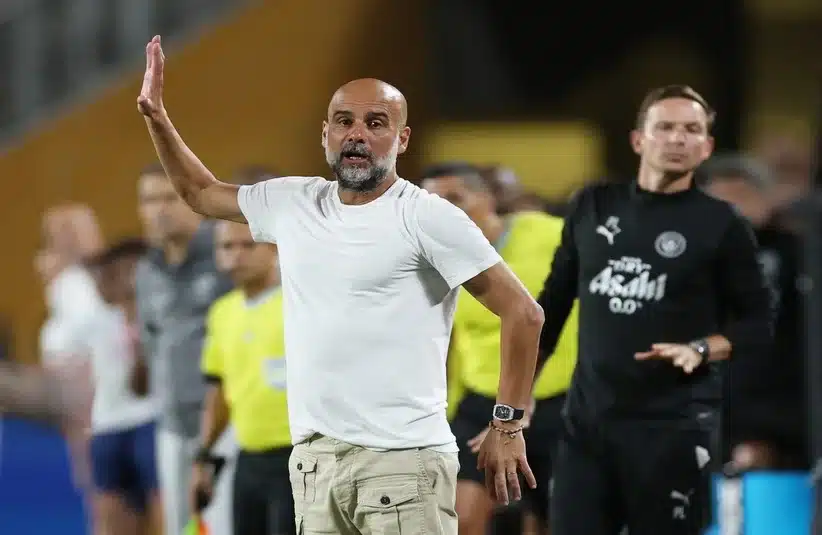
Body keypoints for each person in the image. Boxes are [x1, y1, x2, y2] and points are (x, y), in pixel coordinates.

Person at [137, 35, 543, 534]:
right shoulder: (293, 203)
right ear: (325, 133)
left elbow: (524, 313)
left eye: (376, 123)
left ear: (402, 139)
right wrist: (158, 118)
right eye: (345, 121)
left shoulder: (428, 217)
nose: (357, 134)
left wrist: (508, 423)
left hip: (403, 461)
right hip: (316, 463)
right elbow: (200, 193)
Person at [537, 85, 772, 535]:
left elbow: (757, 324)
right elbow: (552, 307)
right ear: (638, 140)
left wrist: (700, 349)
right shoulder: (592, 205)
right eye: (665, 127)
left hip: (674, 428)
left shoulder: (723, 224)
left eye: (692, 130)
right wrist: (516, 400)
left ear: (706, 147)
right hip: (587, 427)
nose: (678, 138)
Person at [422, 164, 578, 535]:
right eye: (433, 205)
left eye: (455, 199)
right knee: (461, 519)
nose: (445, 211)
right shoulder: (432, 264)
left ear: (488, 199)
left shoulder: (550, 233)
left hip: (558, 402)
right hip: (483, 404)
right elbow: (445, 343)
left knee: (556, 522)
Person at [134, 162, 234, 535]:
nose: (160, 209)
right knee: (180, 527)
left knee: (224, 526)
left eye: (169, 198)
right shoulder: (147, 271)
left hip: (225, 423)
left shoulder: (226, 253)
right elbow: (152, 342)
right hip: (172, 425)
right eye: (149, 200)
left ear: (192, 199)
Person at [699, 155, 808, 470]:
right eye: (720, 200)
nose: (734, 208)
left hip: (777, 424)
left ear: (766, 200)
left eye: (742, 196)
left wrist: (768, 431)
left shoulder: (798, 256)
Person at [192, 219, 294, 535]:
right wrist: (204, 456)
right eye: (227, 247)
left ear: (274, 248)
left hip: (297, 456)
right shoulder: (222, 313)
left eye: (248, 245)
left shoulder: (297, 305)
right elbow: (218, 392)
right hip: (248, 458)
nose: (236, 255)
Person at [83, 239, 163, 535]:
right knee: (110, 519)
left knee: (161, 515)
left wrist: (140, 338)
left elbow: (141, 385)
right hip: (106, 426)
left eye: (131, 270)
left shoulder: (157, 316)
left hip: (148, 421)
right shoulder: (96, 319)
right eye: (114, 273)